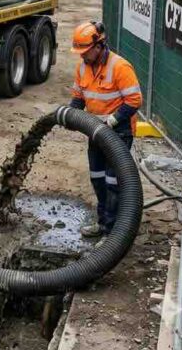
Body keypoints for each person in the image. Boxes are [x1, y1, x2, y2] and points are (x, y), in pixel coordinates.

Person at [68, 21, 143, 238]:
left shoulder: (120, 67)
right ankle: (103, 223)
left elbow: (135, 100)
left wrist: (112, 120)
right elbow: (78, 97)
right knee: (98, 178)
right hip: (95, 131)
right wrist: (71, 115)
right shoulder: (82, 67)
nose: (82, 56)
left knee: (113, 182)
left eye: (85, 51)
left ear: (99, 46)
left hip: (119, 132)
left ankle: (112, 233)